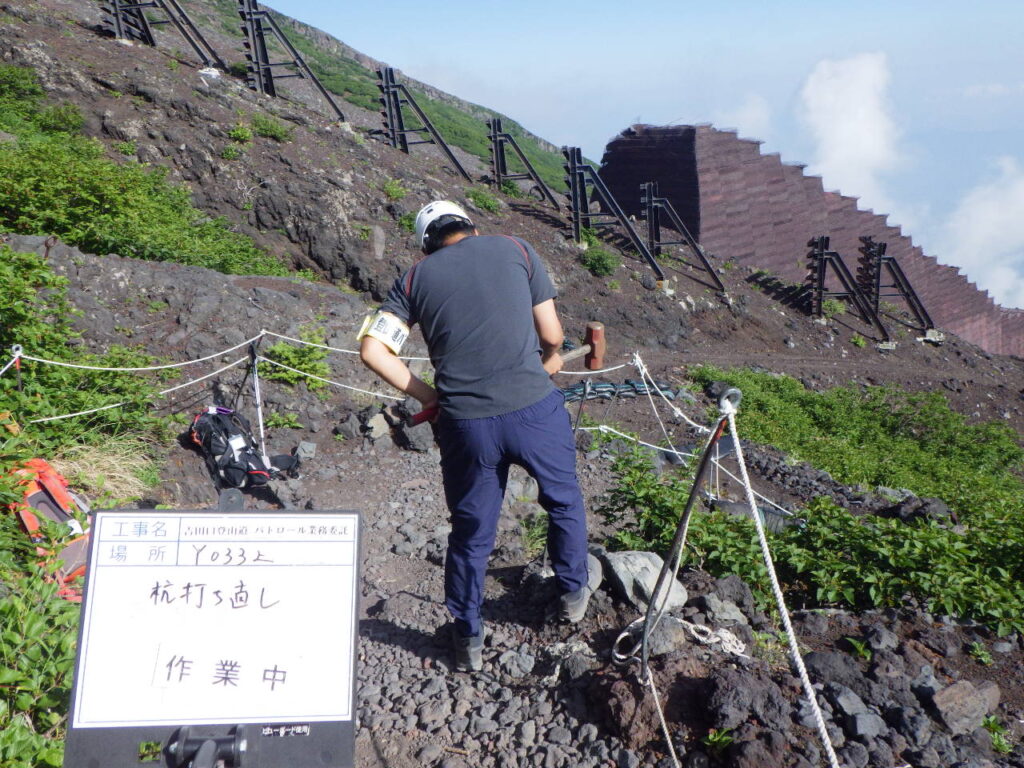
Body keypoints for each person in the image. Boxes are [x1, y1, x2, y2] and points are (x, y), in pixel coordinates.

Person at [358, 200, 599, 672]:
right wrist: (541, 364)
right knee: (563, 500)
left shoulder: (413, 279)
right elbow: (553, 336)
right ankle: (572, 596)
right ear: (470, 226)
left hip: (465, 423)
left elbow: (373, 351)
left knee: (470, 533)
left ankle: (467, 636)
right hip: (534, 408)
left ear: (426, 244)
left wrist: (430, 396)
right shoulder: (516, 248)